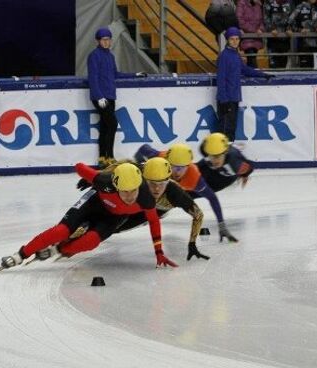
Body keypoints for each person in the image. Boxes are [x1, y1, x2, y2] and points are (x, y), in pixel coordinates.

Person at [0, 162, 177, 271]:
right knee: (60, 231)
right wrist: (91, 176)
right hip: (93, 204)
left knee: (90, 242)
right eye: (125, 191)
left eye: (134, 191)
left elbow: (154, 222)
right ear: (115, 186)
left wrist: (159, 253)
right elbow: (79, 167)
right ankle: (21, 254)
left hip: (112, 218)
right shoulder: (104, 181)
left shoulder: (146, 198)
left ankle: (59, 250)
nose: (130, 196)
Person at [74, 157, 209, 261]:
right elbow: (123, 165)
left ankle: (75, 244)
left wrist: (192, 243)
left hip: (154, 210)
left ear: (168, 180)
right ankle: (76, 229)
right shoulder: (139, 171)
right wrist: (97, 176)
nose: (156, 189)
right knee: (108, 213)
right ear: (144, 178)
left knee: (116, 228)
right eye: (151, 183)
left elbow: (198, 215)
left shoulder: (176, 194)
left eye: (161, 184)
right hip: (137, 199)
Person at [134, 143, 239, 243]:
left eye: (181, 167)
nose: (177, 172)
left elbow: (212, 198)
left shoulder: (194, 177)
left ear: (188, 166)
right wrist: (143, 165)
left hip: (169, 197)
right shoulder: (160, 158)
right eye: (173, 166)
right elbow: (142, 149)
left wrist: (222, 225)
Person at [87, 27, 146, 168]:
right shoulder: (94, 56)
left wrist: (135, 75)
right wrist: (99, 96)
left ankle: (102, 157)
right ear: (98, 41)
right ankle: (110, 156)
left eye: (108, 39)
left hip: (110, 96)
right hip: (100, 97)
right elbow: (93, 78)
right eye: (104, 40)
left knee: (105, 126)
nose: (107, 42)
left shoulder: (110, 56)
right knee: (112, 124)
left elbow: (116, 74)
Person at [216, 26, 272, 142]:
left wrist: (263, 74)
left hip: (234, 98)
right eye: (232, 39)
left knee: (231, 129)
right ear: (227, 40)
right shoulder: (224, 56)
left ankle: (228, 155)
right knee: (225, 131)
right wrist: (224, 99)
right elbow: (221, 79)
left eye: (237, 39)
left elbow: (245, 70)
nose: (235, 41)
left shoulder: (236, 55)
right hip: (226, 100)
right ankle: (223, 155)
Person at [288, 0, 317, 68]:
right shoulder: (299, 8)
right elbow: (290, 23)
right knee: (305, 69)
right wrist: (299, 30)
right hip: (303, 45)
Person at [262, 0, 293, 69]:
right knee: (273, 66)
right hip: (272, 39)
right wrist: (271, 29)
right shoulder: (268, 2)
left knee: (283, 66)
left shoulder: (289, 3)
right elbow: (266, 17)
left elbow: (291, 18)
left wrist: (289, 28)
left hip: (285, 39)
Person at [237, 0, 265, 67]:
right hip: (246, 37)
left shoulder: (258, 5)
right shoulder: (241, 3)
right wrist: (254, 30)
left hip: (256, 37)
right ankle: (254, 75)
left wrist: (261, 29)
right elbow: (240, 20)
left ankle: (250, 74)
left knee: (252, 58)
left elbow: (262, 20)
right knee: (251, 58)